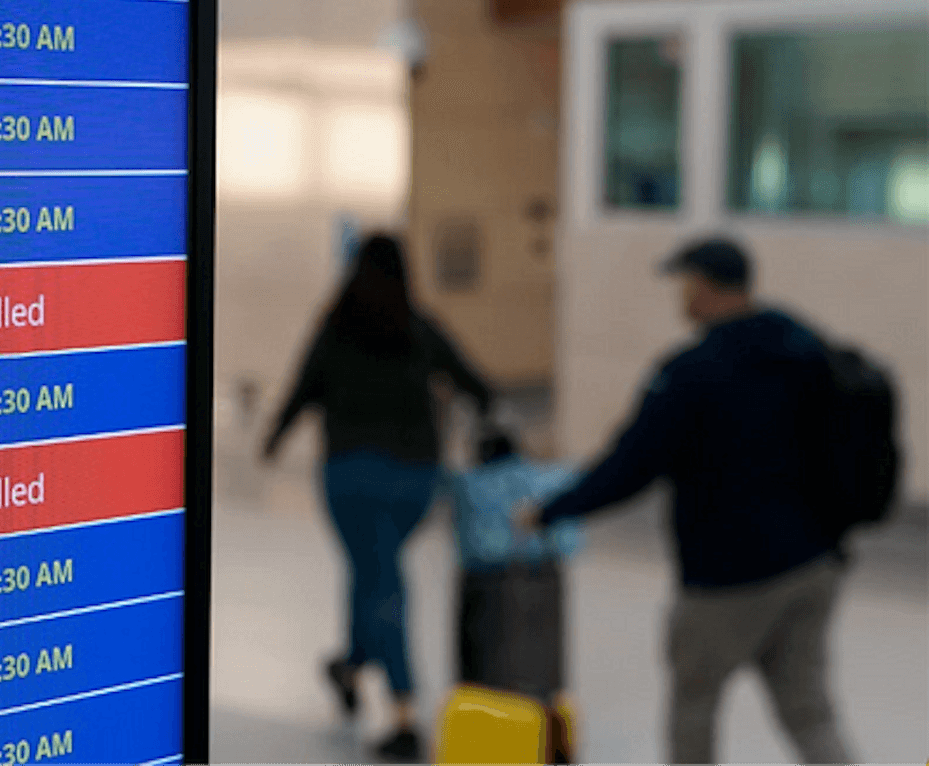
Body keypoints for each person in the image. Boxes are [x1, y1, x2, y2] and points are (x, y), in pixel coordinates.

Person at [516, 236, 853, 764]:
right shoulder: (805, 348)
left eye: (685, 283)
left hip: (728, 577)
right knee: (809, 713)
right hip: (814, 564)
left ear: (702, 285)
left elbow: (631, 465)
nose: (681, 296)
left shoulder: (692, 370)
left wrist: (551, 510)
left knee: (694, 712)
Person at [262, 233, 492, 762]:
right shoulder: (419, 326)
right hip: (416, 480)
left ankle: (405, 714)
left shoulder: (336, 326)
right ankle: (349, 668)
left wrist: (275, 436)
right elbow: (475, 383)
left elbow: (304, 385)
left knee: (380, 580)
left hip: (351, 479)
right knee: (374, 571)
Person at [448, 428, 580, 763]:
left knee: (492, 679)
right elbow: (572, 538)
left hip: (488, 584)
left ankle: (494, 749)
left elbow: (468, 540)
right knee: (545, 673)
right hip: (548, 579)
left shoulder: (471, 484)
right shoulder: (550, 478)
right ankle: (552, 746)